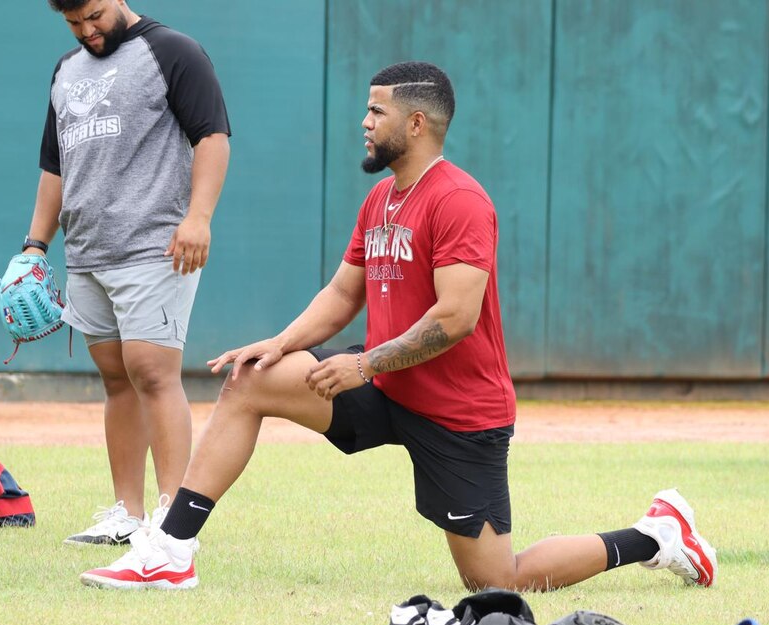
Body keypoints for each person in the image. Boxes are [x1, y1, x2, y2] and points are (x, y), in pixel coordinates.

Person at [79, 61, 716, 591]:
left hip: (459, 413)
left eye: (376, 111)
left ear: (416, 123)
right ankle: (172, 551)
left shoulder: (459, 199)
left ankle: (655, 536)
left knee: (497, 582)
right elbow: (342, 293)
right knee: (251, 380)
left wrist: (363, 363)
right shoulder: (381, 199)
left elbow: (456, 318)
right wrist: (280, 344)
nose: (364, 122)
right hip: (387, 386)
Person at [23, 0, 231, 545]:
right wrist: (35, 245)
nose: (86, 30)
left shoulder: (173, 51)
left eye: (93, 15)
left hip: (155, 245)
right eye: (73, 23)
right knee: (117, 380)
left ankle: (172, 521)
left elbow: (212, 137)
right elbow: (54, 166)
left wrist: (199, 218)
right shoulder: (66, 70)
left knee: (153, 373)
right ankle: (127, 514)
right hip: (87, 252)